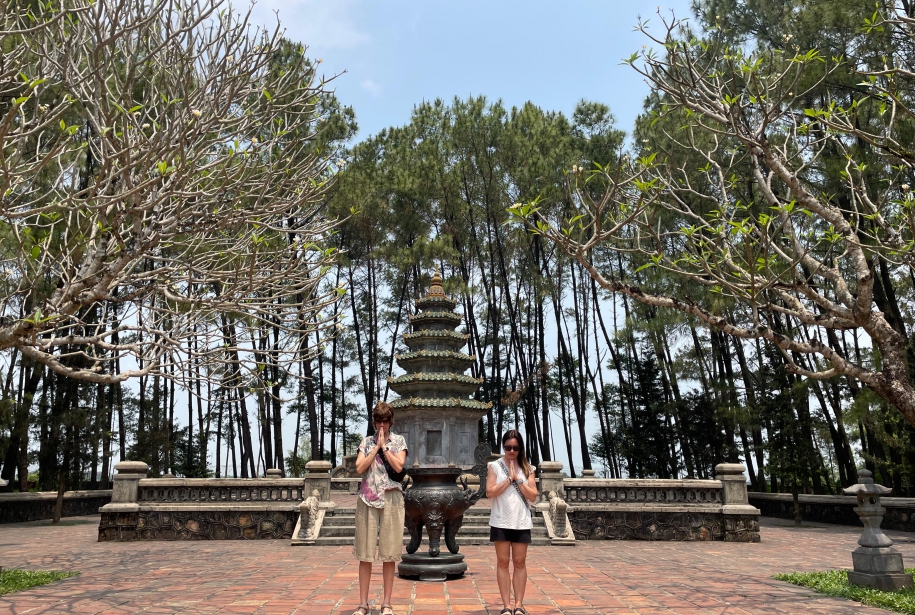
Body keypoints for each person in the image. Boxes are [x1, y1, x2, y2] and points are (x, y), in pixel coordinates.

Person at [352, 402, 408, 615]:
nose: (382, 425)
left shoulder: (399, 441)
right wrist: (375, 447)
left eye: (385, 420)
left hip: (391, 498)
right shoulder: (366, 442)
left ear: (391, 421)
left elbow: (398, 466)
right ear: (374, 421)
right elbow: (359, 468)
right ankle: (363, 603)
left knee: (389, 553)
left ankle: (386, 603)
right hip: (368, 499)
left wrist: (385, 447)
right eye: (378, 420)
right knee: (365, 554)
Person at [486, 429, 537, 615]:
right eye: (508, 447)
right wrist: (509, 479)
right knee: (502, 562)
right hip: (500, 520)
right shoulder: (494, 466)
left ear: (520, 448)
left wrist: (519, 480)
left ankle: (519, 605)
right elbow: (490, 492)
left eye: (515, 447)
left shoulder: (528, 468)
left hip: (521, 521)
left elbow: (533, 496)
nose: (511, 451)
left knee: (519, 562)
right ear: (503, 447)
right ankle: (506, 606)